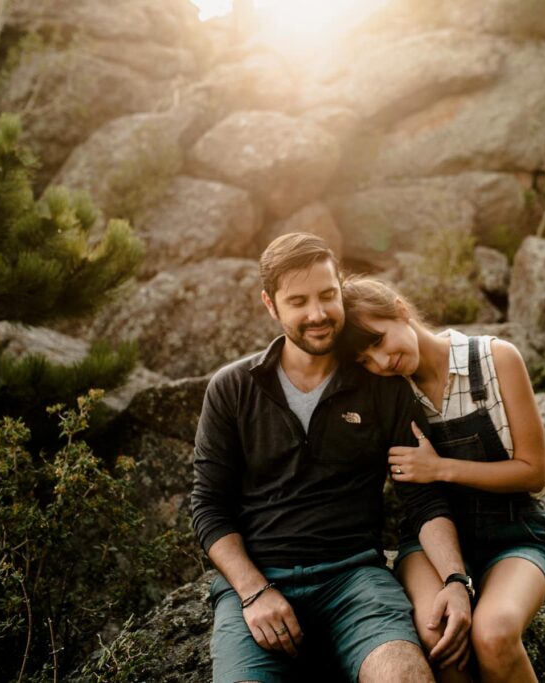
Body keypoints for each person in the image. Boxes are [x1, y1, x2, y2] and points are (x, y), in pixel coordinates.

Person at [190, 234, 475, 683]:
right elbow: (208, 506)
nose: (318, 314)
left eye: (327, 295)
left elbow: (422, 499)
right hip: (261, 582)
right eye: (298, 301)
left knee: (405, 677)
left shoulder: (381, 385)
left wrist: (456, 581)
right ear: (271, 305)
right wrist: (253, 591)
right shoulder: (232, 388)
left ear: (341, 289)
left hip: (356, 580)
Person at [338, 276, 545, 683]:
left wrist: (440, 467)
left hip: (515, 533)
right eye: (365, 359)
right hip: (426, 545)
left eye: (378, 340)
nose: (381, 362)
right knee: (439, 638)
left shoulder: (497, 359)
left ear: (400, 311)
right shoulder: (387, 394)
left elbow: (534, 472)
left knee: (493, 634)